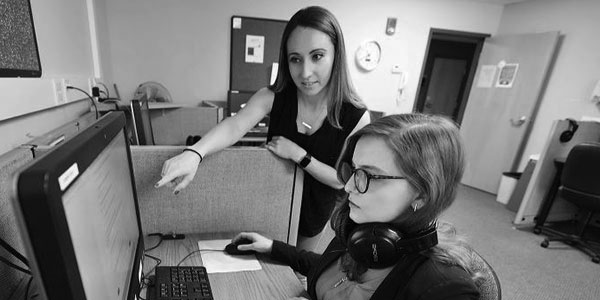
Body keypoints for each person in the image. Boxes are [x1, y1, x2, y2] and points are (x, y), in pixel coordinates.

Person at [156, 6, 370, 247]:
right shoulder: (273, 96)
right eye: (295, 59)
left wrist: (299, 155)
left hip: (314, 211)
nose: (305, 72)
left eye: (317, 56)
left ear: (336, 55)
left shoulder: (356, 116)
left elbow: (342, 181)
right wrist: (195, 153)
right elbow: (235, 125)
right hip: (270, 204)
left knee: (296, 270)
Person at [230, 114, 482, 300]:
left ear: (423, 194)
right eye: (353, 170)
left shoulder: (445, 290)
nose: (348, 186)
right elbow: (330, 267)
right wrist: (273, 247)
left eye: (369, 176)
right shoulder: (364, 231)